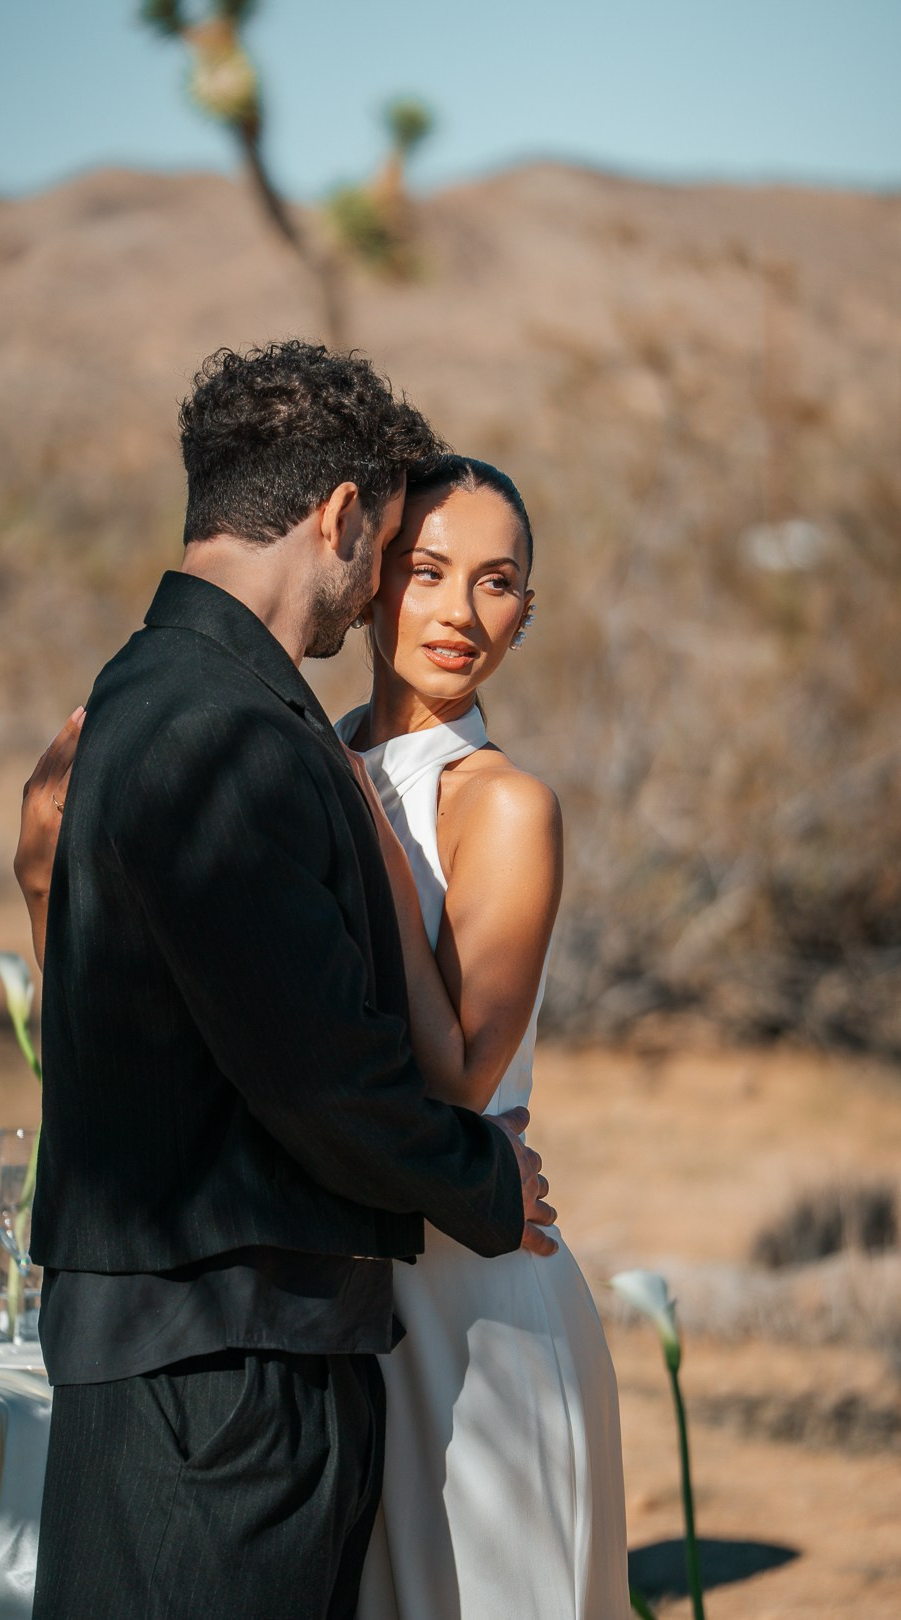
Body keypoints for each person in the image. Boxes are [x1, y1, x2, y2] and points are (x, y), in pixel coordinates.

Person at [17, 342, 558, 1620]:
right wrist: (488, 1177)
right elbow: (316, 1071)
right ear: (338, 519)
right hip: (233, 1371)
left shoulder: (145, 692)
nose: (388, 589)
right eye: (393, 554)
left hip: (185, 1353)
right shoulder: (229, 733)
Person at [337, 454, 629, 1619]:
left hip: (476, 1304)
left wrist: (370, 843)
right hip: (340, 1299)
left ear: (527, 610)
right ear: (366, 584)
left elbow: (459, 1081)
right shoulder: (320, 763)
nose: (461, 614)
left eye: (498, 582)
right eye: (427, 572)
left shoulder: (505, 802)